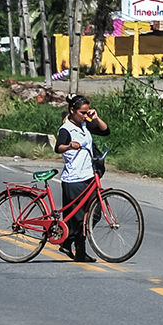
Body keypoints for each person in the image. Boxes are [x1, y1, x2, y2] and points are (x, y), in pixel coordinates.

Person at [54, 94, 109, 262]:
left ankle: (68, 241)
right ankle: (80, 252)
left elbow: (105, 131)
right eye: (82, 112)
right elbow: (58, 148)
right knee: (78, 219)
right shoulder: (66, 129)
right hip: (74, 179)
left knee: (95, 213)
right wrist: (69, 145)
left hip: (89, 176)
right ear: (72, 111)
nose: (85, 115)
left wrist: (96, 118)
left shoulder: (85, 125)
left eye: (87, 112)